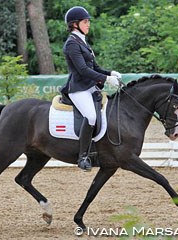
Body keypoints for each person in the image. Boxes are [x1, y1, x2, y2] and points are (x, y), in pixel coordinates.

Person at [60, 6, 121, 171]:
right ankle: (83, 157)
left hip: (89, 86)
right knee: (91, 116)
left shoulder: (82, 41)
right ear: (75, 24)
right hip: (79, 88)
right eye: (85, 22)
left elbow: (94, 67)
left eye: (88, 22)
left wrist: (110, 73)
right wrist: (106, 79)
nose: (88, 25)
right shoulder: (72, 44)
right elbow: (83, 70)